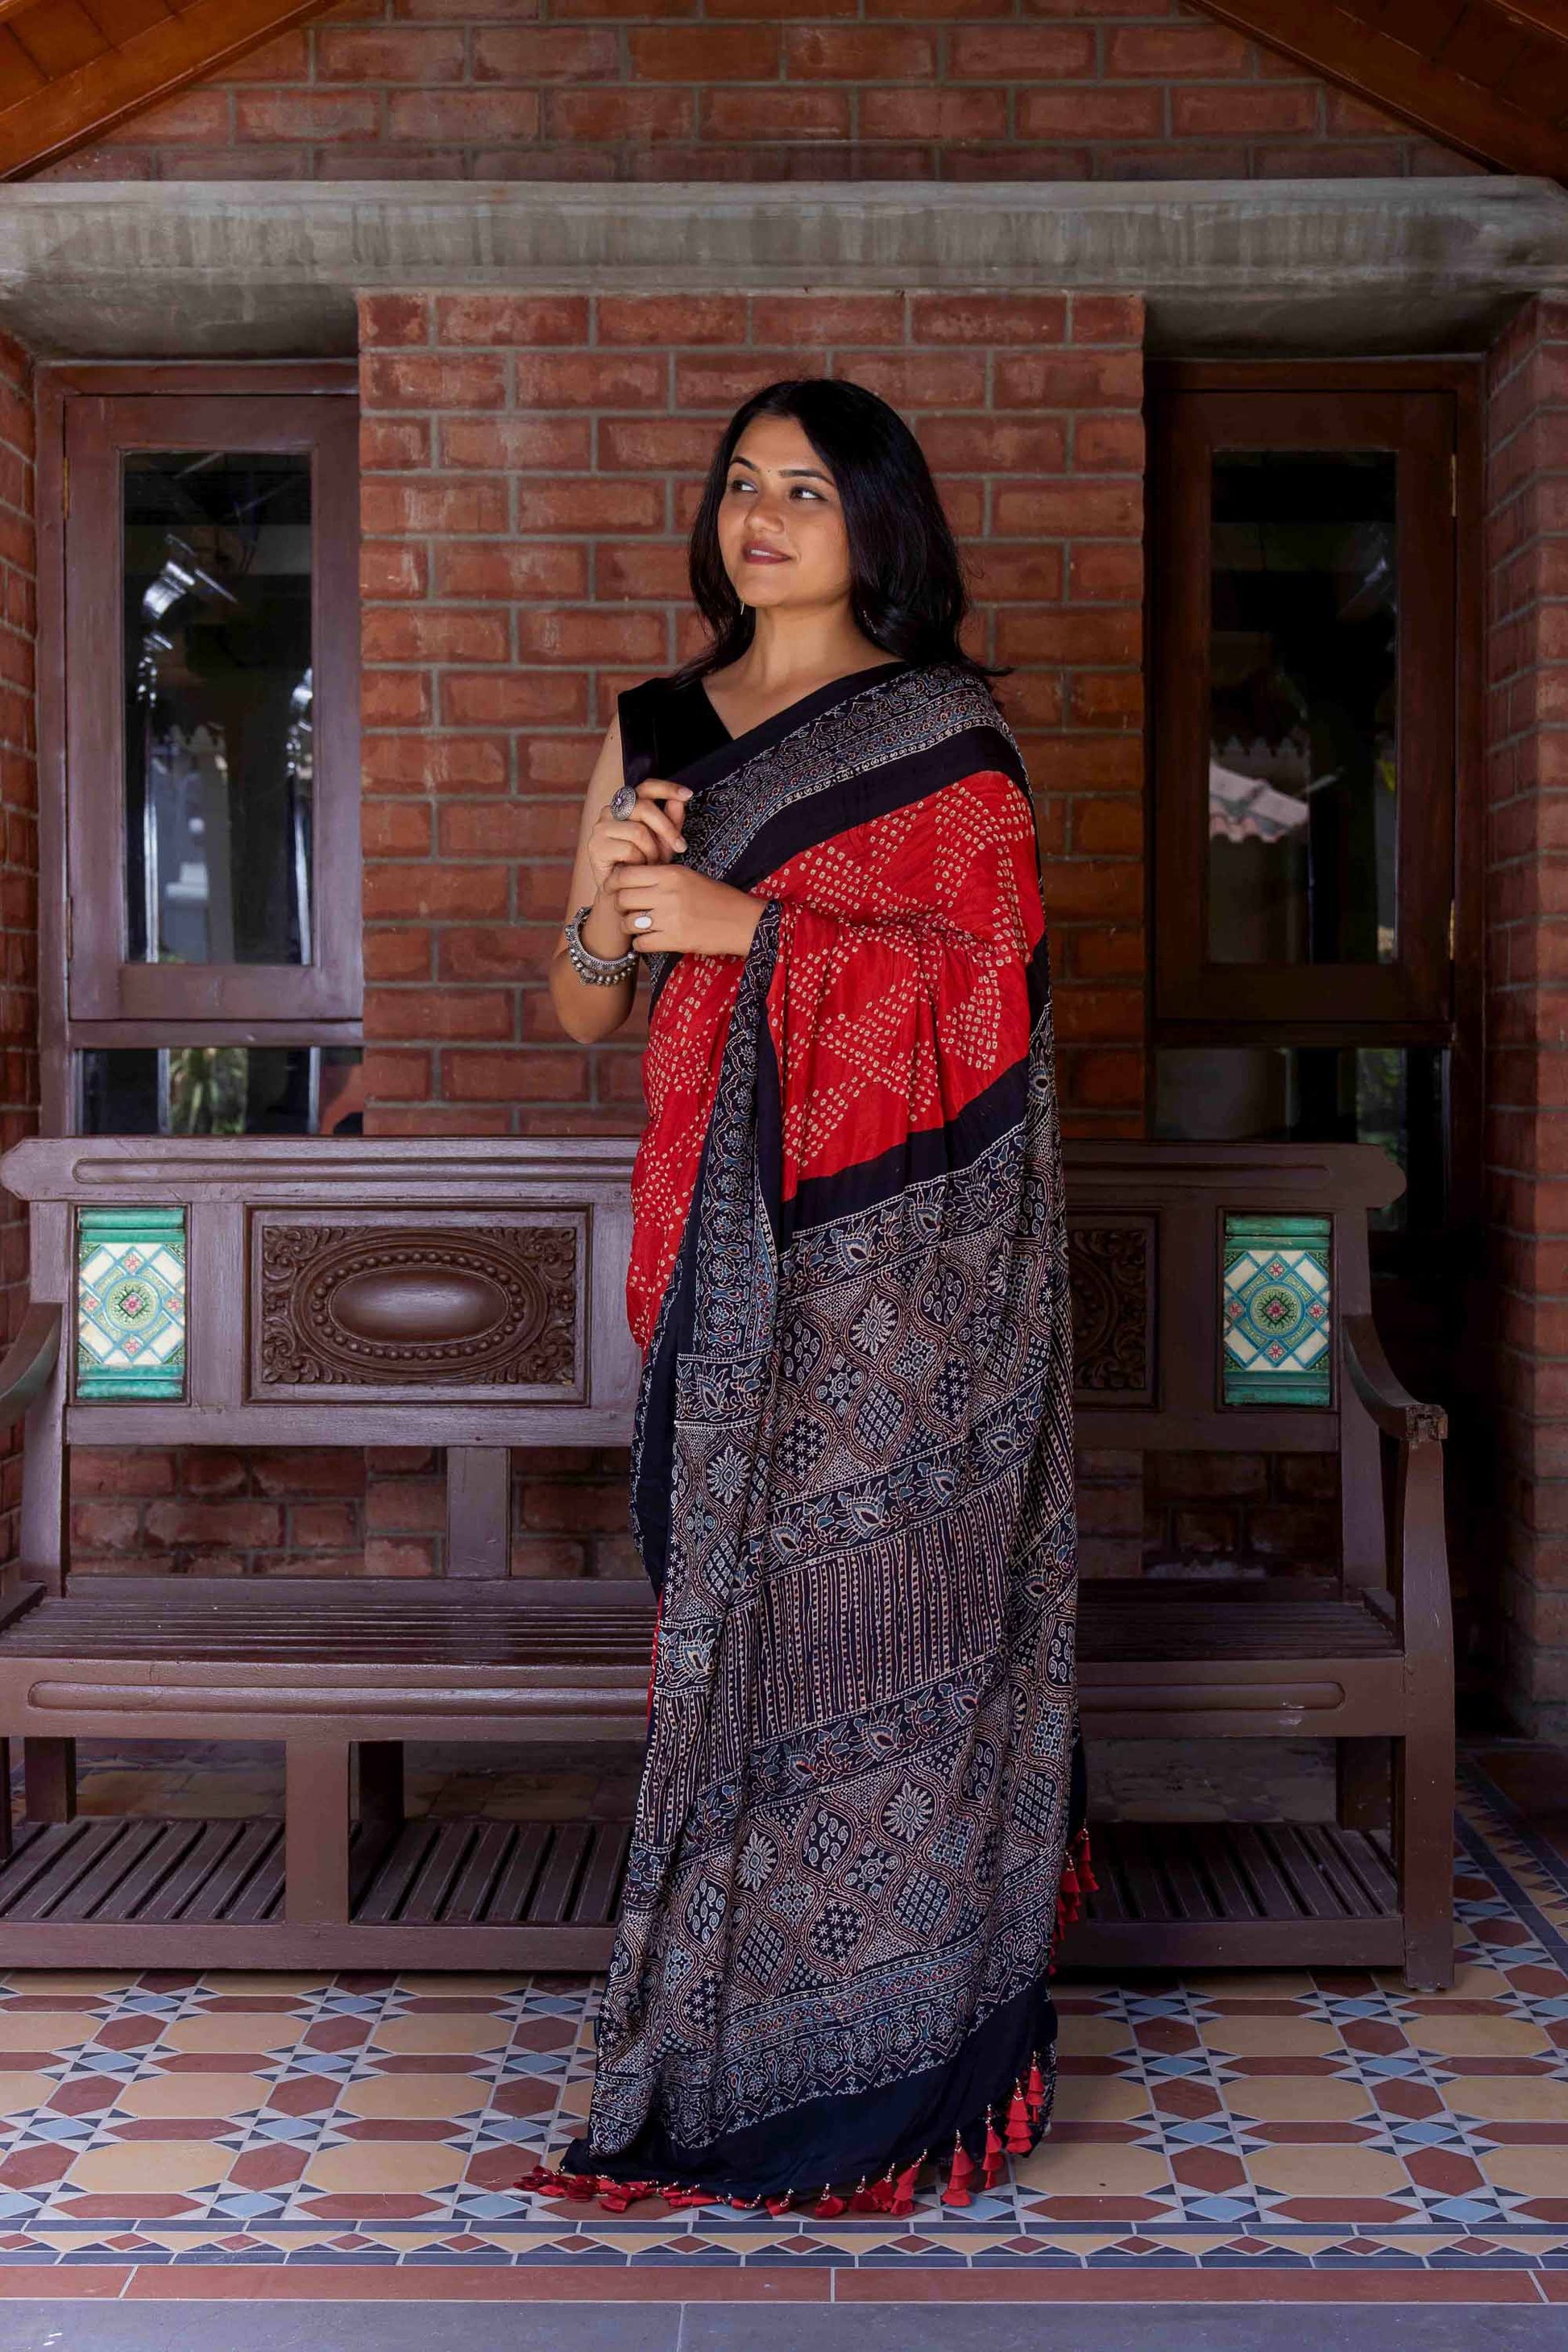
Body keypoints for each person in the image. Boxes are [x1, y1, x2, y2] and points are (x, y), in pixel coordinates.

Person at [519, 378, 1087, 2217]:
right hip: (721, 1242)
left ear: (874, 524)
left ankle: (906, 2053)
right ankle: (719, 2035)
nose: (760, 518)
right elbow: (583, 1004)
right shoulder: (656, 725)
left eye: (807, 492)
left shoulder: (946, 733)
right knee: (733, 1635)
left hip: (903, 1286)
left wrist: (751, 926)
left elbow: (989, 987)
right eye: (741, 486)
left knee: (900, 1634)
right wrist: (621, 895)